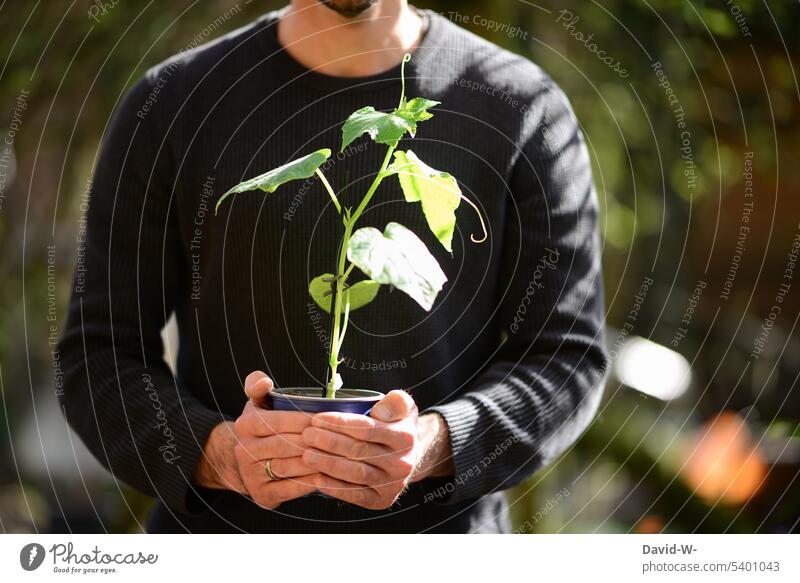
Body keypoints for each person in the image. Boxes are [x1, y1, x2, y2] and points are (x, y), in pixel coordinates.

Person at [58, 0, 608, 533]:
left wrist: (436, 443)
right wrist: (219, 454)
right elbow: (97, 353)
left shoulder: (524, 104)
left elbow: (566, 356)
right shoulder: (172, 103)